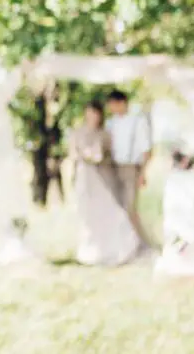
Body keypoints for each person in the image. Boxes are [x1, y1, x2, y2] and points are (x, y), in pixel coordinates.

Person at [69, 100, 142, 266]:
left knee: (105, 211)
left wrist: (93, 156)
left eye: (95, 113)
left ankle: (110, 247)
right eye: (90, 113)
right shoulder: (77, 133)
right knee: (86, 212)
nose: (92, 117)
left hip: (101, 177)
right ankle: (90, 247)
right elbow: (74, 154)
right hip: (84, 176)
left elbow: (105, 156)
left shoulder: (105, 134)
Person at [104, 89, 154, 248]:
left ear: (122, 103)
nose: (111, 109)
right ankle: (123, 244)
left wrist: (142, 174)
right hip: (113, 168)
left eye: (113, 105)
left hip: (131, 168)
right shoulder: (110, 123)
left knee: (130, 207)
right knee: (116, 207)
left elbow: (147, 150)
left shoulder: (137, 122)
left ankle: (140, 244)